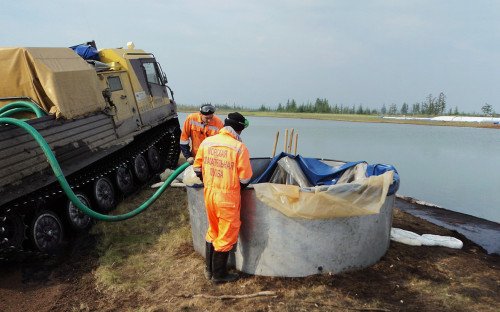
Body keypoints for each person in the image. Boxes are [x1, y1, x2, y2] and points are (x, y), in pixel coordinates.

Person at [192, 112, 253, 283]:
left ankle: (209, 270)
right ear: (238, 128)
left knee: (213, 231)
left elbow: (197, 169)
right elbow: (245, 179)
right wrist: (231, 189)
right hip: (227, 198)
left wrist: (212, 182)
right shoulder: (239, 148)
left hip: (210, 195)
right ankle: (219, 275)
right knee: (226, 235)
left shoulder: (208, 141)